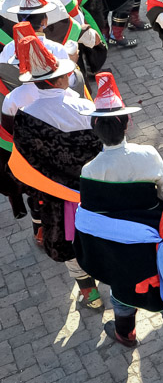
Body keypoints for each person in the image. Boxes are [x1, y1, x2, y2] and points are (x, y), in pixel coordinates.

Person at [73, 73, 163, 356]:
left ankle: (125, 333)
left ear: (95, 128)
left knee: (121, 287)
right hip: (152, 241)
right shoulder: (149, 155)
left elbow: (94, 212)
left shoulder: (89, 171)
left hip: (115, 246)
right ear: (127, 123)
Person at [8, 35, 103, 308]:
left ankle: (91, 297)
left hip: (55, 196)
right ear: (60, 80)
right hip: (93, 188)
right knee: (103, 236)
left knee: (68, 242)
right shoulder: (87, 107)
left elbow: (25, 164)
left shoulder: (25, 115)